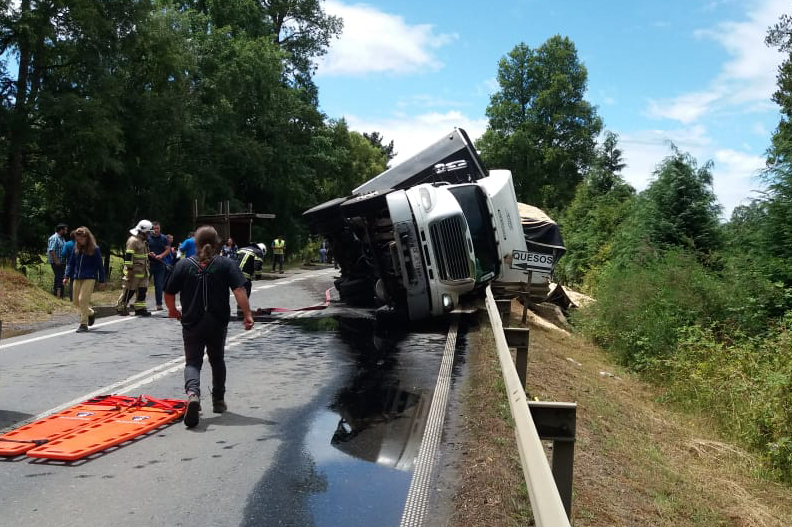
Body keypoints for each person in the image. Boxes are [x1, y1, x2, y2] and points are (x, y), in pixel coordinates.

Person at [164, 225, 254, 429]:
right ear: (217, 243)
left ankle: (193, 395)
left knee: (192, 363)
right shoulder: (226, 264)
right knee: (217, 360)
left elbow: (169, 293)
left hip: (192, 322)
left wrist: (172, 310)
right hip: (217, 321)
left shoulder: (183, 265)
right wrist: (247, 314)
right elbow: (239, 290)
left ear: (195, 243)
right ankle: (218, 401)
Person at [63, 226, 106, 332]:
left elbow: (100, 266)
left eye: (82, 239)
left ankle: (83, 324)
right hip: (77, 277)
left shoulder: (95, 249)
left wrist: (102, 280)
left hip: (89, 277)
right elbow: (71, 263)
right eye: (78, 239)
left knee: (83, 300)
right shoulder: (76, 248)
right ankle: (91, 313)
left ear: (87, 238)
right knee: (76, 302)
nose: (80, 241)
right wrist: (66, 276)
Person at [116, 220, 153, 316]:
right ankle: (121, 307)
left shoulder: (143, 241)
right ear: (142, 231)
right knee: (129, 291)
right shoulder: (133, 241)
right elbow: (128, 257)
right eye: (148, 232)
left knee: (142, 291)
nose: (149, 234)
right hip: (134, 271)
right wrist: (130, 269)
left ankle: (140, 309)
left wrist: (149, 255)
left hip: (144, 271)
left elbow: (142, 255)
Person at [235, 243, 266, 312]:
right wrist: (258, 276)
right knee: (246, 290)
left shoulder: (241, 249)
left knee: (239, 290)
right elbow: (258, 265)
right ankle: (241, 310)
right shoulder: (258, 252)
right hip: (245, 275)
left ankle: (240, 308)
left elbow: (235, 259)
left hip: (234, 273)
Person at [147, 221, 171, 311]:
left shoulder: (164, 238)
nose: (156, 230)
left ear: (160, 228)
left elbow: (168, 249)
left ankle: (159, 304)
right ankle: (141, 303)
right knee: (144, 284)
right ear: (151, 229)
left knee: (159, 285)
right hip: (149, 264)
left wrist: (161, 255)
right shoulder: (147, 237)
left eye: (158, 228)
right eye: (154, 228)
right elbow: (143, 249)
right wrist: (149, 253)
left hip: (160, 264)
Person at [47, 223, 68, 298]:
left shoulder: (62, 238)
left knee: (59, 278)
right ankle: (58, 296)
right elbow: (51, 250)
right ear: (61, 230)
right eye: (65, 230)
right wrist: (56, 260)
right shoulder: (54, 238)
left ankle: (57, 295)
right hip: (56, 263)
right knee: (60, 278)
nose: (66, 231)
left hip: (62, 262)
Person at [61, 231, 76, 301]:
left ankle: (72, 299)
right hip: (80, 265)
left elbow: (63, 254)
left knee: (72, 282)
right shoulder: (81, 244)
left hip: (70, 264)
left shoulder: (67, 244)